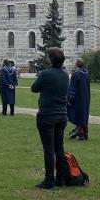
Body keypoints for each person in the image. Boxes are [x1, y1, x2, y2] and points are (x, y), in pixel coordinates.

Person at [30, 47, 69, 189]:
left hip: (47, 115)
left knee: (48, 148)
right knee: (59, 147)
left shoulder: (46, 74)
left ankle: (49, 180)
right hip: (62, 114)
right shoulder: (65, 74)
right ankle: (61, 179)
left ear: (50, 59)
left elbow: (34, 88)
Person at [67, 58, 91, 140]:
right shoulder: (86, 74)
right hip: (85, 97)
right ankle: (83, 133)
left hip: (78, 98)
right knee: (83, 114)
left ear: (76, 64)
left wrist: (70, 99)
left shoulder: (76, 74)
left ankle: (79, 132)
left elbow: (73, 88)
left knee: (77, 115)